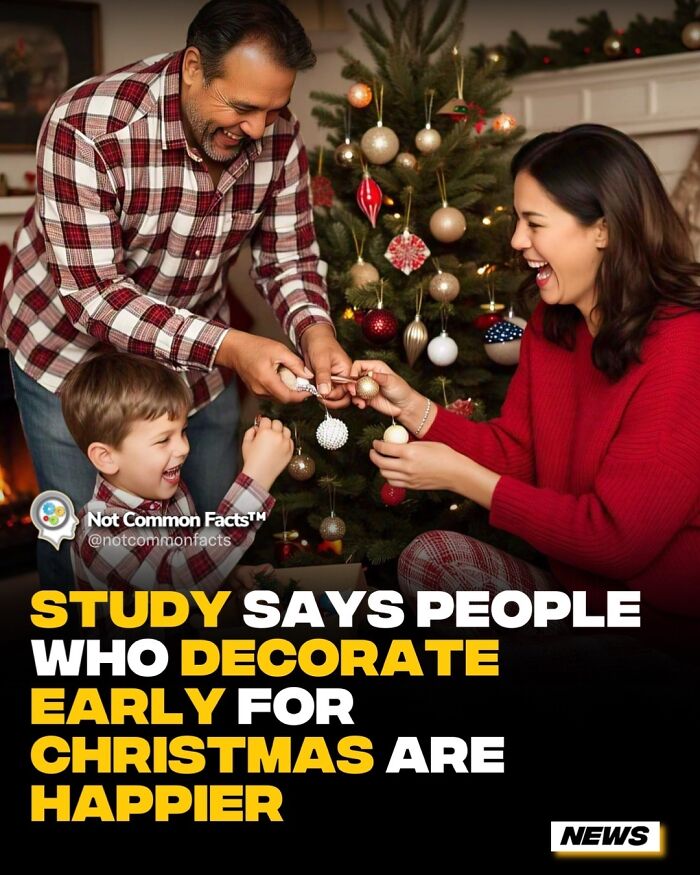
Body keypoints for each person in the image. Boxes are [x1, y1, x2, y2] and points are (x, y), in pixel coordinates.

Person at [0, 0, 351, 589]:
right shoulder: (86, 123)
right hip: (70, 364)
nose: (260, 130)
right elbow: (94, 295)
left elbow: (287, 255)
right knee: (76, 568)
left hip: (197, 365)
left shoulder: (277, 133)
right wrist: (235, 348)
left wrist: (317, 332)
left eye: (275, 109)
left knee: (210, 540)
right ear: (192, 67)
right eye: (242, 107)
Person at [350, 123, 700, 622]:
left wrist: (463, 477)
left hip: (663, 622)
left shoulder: (684, 344)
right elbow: (520, 455)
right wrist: (415, 409)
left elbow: (619, 543)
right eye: (518, 220)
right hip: (578, 599)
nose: (517, 240)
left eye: (534, 224)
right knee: (433, 560)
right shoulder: (552, 325)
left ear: (603, 228)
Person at [61, 352, 292, 598]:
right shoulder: (99, 533)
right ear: (106, 457)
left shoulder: (173, 491)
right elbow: (176, 583)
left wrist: (228, 577)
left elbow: (187, 558)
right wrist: (255, 480)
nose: (184, 448)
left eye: (182, 431)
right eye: (163, 440)